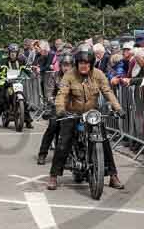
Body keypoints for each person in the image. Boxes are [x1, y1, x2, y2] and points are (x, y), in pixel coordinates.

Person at [49, 44, 125, 191]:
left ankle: (113, 176)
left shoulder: (98, 74)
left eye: (87, 63)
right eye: (81, 63)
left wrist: (119, 108)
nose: (84, 66)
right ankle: (54, 175)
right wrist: (60, 110)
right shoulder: (69, 75)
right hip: (72, 114)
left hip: (92, 114)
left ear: (91, 63)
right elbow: (62, 94)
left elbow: (107, 92)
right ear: (77, 63)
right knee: (63, 142)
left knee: (105, 141)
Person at [38, 53, 73, 165]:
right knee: (53, 126)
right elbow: (48, 93)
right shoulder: (54, 76)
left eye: (69, 65)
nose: (66, 67)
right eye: (64, 65)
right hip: (57, 107)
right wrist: (54, 102)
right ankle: (42, 153)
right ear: (61, 65)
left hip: (73, 108)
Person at [0, 43, 32, 129]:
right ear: (9, 53)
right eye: (11, 52)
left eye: (15, 52)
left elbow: (28, 69)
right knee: (1, 101)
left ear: (17, 53)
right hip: (6, 84)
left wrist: (31, 73)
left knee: (24, 101)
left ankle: (28, 121)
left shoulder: (22, 61)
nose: (13, 54)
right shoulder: (3, 61)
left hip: (17, 84)